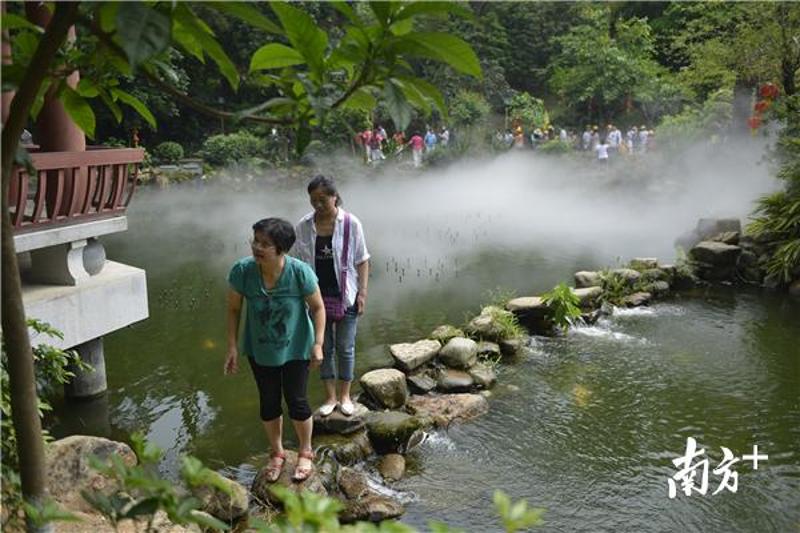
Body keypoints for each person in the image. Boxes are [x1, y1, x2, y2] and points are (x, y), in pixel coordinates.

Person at [225, 218, 325, 483]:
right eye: (255, 241)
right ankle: (277, 452)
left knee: (297, 400)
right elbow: (234, 309)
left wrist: (318, 344)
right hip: (260, 350)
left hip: (296, 349)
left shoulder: (299, 272)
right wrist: (233, 346)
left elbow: (318, 307)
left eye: (265, 244)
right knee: (268, 401)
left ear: (281, 248)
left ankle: (305, 451)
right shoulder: (243, 271)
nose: (257, 247)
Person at [293, 176, 370, 419]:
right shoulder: (304, 226)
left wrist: (362, 293)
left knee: (345, 348)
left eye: (322, 200)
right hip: (315, 300)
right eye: (313, 200)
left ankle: (345, 396)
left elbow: (362, 259)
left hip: (346, 295)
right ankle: (330, 397)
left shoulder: (350, 223)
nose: (317, 205)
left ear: (334, 197)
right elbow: (295, 262)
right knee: (323, 348)